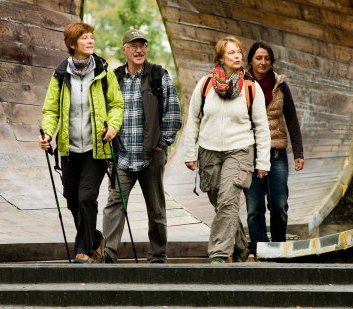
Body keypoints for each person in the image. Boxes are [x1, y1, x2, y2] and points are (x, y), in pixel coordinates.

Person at [40, 22, 124, 264]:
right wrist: (46, 132)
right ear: (72, 44)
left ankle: (84, 250)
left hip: (96, 148)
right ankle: (95, 238)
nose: (90, 41)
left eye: (91, 37)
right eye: (85, 38)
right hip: (68, 149)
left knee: (87, 197)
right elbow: (50, 109)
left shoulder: (103, 72)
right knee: (71, 198)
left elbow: (117, 105)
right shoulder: (60, 75)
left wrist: (113, 127)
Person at [181, 36, 271, 263]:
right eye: (231, 53)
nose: (238, 56)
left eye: (239, 52)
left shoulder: (251, 88)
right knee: (220, 201)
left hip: (240, 150)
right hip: (209, 151)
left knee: (228, 200)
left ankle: (220, 254)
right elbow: (193, 120)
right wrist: (190, 153)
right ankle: (241, 246)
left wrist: (263, 162)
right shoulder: (205, 85)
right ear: (221, 58)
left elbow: (262, 128)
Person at [102, 30, 182, 263]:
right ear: (124, 49)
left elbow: (173, 114)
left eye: (142, 45)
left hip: (151, 155)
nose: (139, 50)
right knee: (114, 204)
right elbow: (104, 112)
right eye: (133, 45)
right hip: (122, 156)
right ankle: (108, 253)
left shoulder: (158, 75)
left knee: (156, 208)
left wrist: (161, 145)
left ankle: (158, 254)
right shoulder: (113, 78)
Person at [244, 41, 305, 256]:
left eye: (266, 58)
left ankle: (278, 248)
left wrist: (298, 153)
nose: (262, 62)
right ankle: (260, 249)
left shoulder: (280, 85)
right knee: (254, 208)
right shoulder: (241, 84)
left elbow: (291, 119)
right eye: (258, 58)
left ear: (272, 62)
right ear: (250, 60)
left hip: (276, 154)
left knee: (279, 205)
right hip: (249, 154)